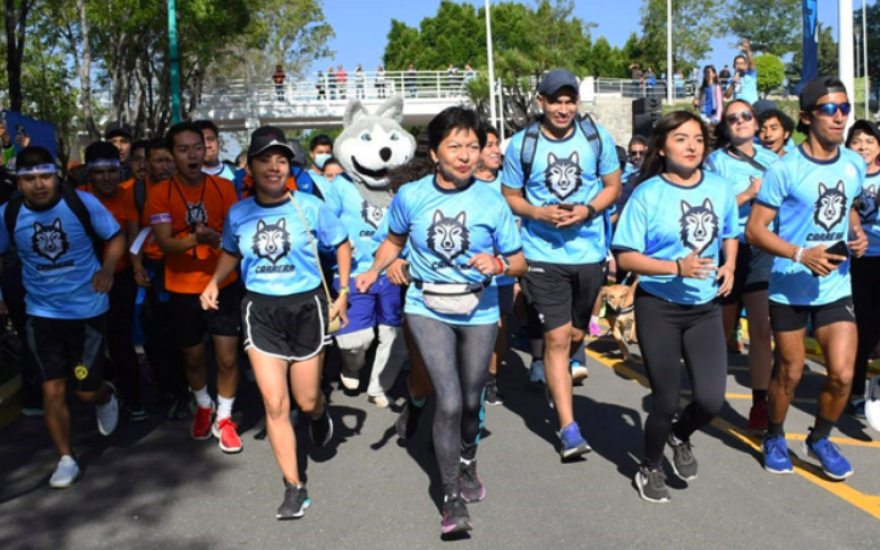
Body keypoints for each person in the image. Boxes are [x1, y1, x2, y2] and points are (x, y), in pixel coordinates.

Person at [357, 107, 525, 535]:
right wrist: (375, 269)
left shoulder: (492, 199)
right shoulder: (412, 196)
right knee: (447, 400)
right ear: (435, 153)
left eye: (472, 146)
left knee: (471, 401)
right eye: (455, 146)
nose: (465, 155)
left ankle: (468, 461)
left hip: (480, 309)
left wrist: (498, 263)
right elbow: (392, 242)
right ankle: (451, 499)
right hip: (426, 306)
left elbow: (520, 262)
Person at [201, 126, 350, 519]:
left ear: (289, 167)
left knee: (305, 399)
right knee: (275, 401)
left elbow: (341, 242)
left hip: (306, 307)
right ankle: (294, 486)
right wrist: (215, 282)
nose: (273, 166)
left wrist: (344, 291)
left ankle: (319, 414)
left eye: (281, 160)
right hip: (261, 310)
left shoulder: (310, 206)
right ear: (249, 166)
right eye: (265, 159)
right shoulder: (239, 213)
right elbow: (231, 252)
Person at [613, 111, 738, 503]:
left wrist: (730, 263)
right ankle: (649, 466)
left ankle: (680, 434)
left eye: (698, 139)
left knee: (711, 400)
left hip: (704, 308)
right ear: (662, 147)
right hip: (659, 307)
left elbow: (731, 231)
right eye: (681, 139)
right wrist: (675, 267)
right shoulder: (647, 193)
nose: (691, 146)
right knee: (665, 400)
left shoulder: (719, 188)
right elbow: (625, 257)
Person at [745, 77, 867, 480]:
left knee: (843, 373)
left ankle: (820, 438)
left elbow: (848, 207)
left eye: (845, 108)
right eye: (829, 109)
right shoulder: (785, 169)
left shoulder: (853, 163)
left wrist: (856, 233)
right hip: (789, 285)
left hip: (835, 284)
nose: (840, 117)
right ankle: (776, 436)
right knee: (791, 372)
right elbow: (755, 230)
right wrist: (801, 253)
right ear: (806, 116)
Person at [502, 69, 621, 460]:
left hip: (589, 254)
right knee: (555, 337)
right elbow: (510, 196)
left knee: (573, 335)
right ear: (541, 102)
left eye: (570, 101)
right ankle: (569, 429)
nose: (564, 108)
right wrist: (537, 212)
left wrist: (587, 210)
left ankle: (562, 374)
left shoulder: (595, 137)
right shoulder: (523, 144)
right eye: (556, 101)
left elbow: (613, 187)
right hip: (542, 254)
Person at [0, 146, 125, 488]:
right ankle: (66, 458)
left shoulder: (81, 204)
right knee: (52, 390)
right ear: (18, 181)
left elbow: (115, 237)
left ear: (56, 176)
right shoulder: (8, 214)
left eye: (45, 176)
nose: (38, 185)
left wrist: (108, 269)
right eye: (29, 179)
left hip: (86, 311)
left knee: (84, 390)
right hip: (40, 314)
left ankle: (104, 394)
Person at [145, 122, 243, 453]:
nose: (192, 155)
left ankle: (225, 417)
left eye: (197, 148)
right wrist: (196, 238)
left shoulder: (223, 188)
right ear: (172, 155)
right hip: (183, 287)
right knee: (192, 356)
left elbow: (235, 238)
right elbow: (164, 244)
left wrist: (219, 239)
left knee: (228, 359)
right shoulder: (160, 194)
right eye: (183, 149)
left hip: (223, 283)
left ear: (206, 150)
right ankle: (203, 405)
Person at [705, 100, 779, 432]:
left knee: (761, 330)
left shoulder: (774, 161)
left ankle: (760, 403)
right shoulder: (715, 163)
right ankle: (709, 394)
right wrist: (749, 194)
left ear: (755, 122)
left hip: (763, 249)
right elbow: (711, 210)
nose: (739, 121)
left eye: (745, 116)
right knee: (721, 327)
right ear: (726, 126)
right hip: (728, 249)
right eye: (731, 118)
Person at [79, 142, 145, 421]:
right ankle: (100, 386)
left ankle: (133, 398)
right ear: (88, 174)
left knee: (119, 339)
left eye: (112, 171)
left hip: (120, 278)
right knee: (87, 343)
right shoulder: (76, 198)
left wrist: (136, 267)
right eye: (99, 172)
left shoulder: (128, 196)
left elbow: (131, 238)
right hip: (82, 285)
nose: (107, 177)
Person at [127, 138, 189, 418]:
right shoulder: (138, 191)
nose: (165, 166)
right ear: (146, 163)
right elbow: (134, 232)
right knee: (155, 332)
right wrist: (136, 264)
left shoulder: (187, 186)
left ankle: (189, 389)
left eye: (169, 159)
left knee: (184, 332)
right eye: (158, 160)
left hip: (185, 266)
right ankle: (169, 388)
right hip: (154, 269)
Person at [474, 125, 514, 405]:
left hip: (503, 272)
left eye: (497, 144)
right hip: (466, 273)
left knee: (499, 327)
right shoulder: (463, 186)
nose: (496, 150)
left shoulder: (509, 185)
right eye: (489, 144)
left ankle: (491, 379)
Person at [846, 120, 880, 418]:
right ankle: (856, 392)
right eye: (857, 141)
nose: (864, 146)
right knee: (863, 331)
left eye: (870, 141)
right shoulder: (842, 177)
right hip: (854, 262)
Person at [724, 39, 758, 105]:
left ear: (745, 65)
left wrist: (747, 50)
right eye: (737, 64)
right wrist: (733, 84)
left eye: (742, 63)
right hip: (739, 107)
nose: (739, 66)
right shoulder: (731, 79)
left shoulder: (750, 74)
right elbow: (727, 96)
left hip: (752, 106)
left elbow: (751, 63)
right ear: (734, 66)